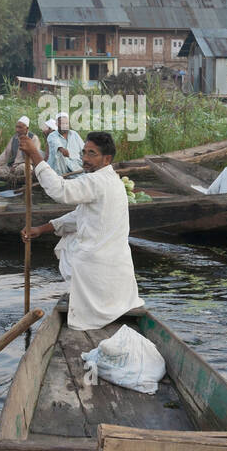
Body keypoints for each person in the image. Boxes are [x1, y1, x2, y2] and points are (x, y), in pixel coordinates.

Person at [19, 130, 145, 330]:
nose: (85, 159)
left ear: (107, 159)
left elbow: (61, 190)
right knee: (70, 236)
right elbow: (79, 216)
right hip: (117, 273)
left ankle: (87, 302)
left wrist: (36, 156)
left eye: (92, 154)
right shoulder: (112, 181)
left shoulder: (96, 181)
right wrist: (41, 229)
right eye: (84, 152)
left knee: (68, 244)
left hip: (97, 269)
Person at [0, 116, 34, 181]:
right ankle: (13, 173)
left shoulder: (33, 138)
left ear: (26, 128)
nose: (17, 130)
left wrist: (17, 165)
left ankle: (16, 173)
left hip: (25, 165)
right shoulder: (14, 138)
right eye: (16, 127)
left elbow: (34, 156)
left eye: (20, 127)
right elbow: (6, 153)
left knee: (24, 168)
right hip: (13, 167)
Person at [46, 112, 85, 177]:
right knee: (59, 155)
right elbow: (56, 144)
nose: (65, 126)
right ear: (57, 124)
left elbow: (83, 150)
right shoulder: (52, 136)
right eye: (62, 124)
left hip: (77, 167)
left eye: (66, 123)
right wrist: (62, 149)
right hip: (60, 169)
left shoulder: (74, 134)